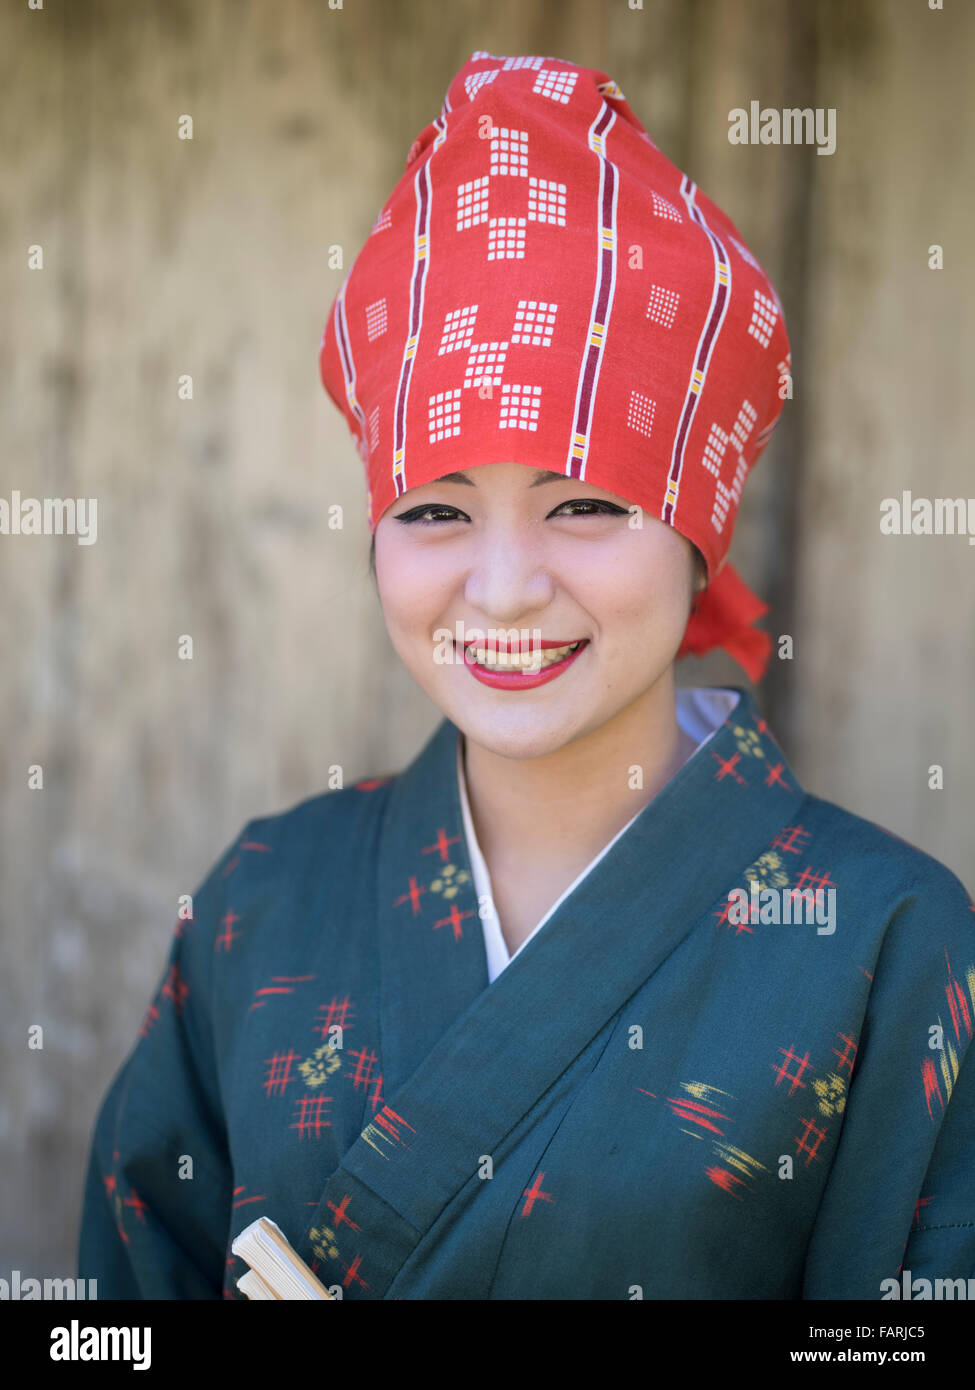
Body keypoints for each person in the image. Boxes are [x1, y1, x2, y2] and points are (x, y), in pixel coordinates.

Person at [78, 50, 974, 1301]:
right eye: (437, 511)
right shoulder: (263, 901)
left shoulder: (886, 937)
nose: (501, 589)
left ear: (697, 531)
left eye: (588, 504)